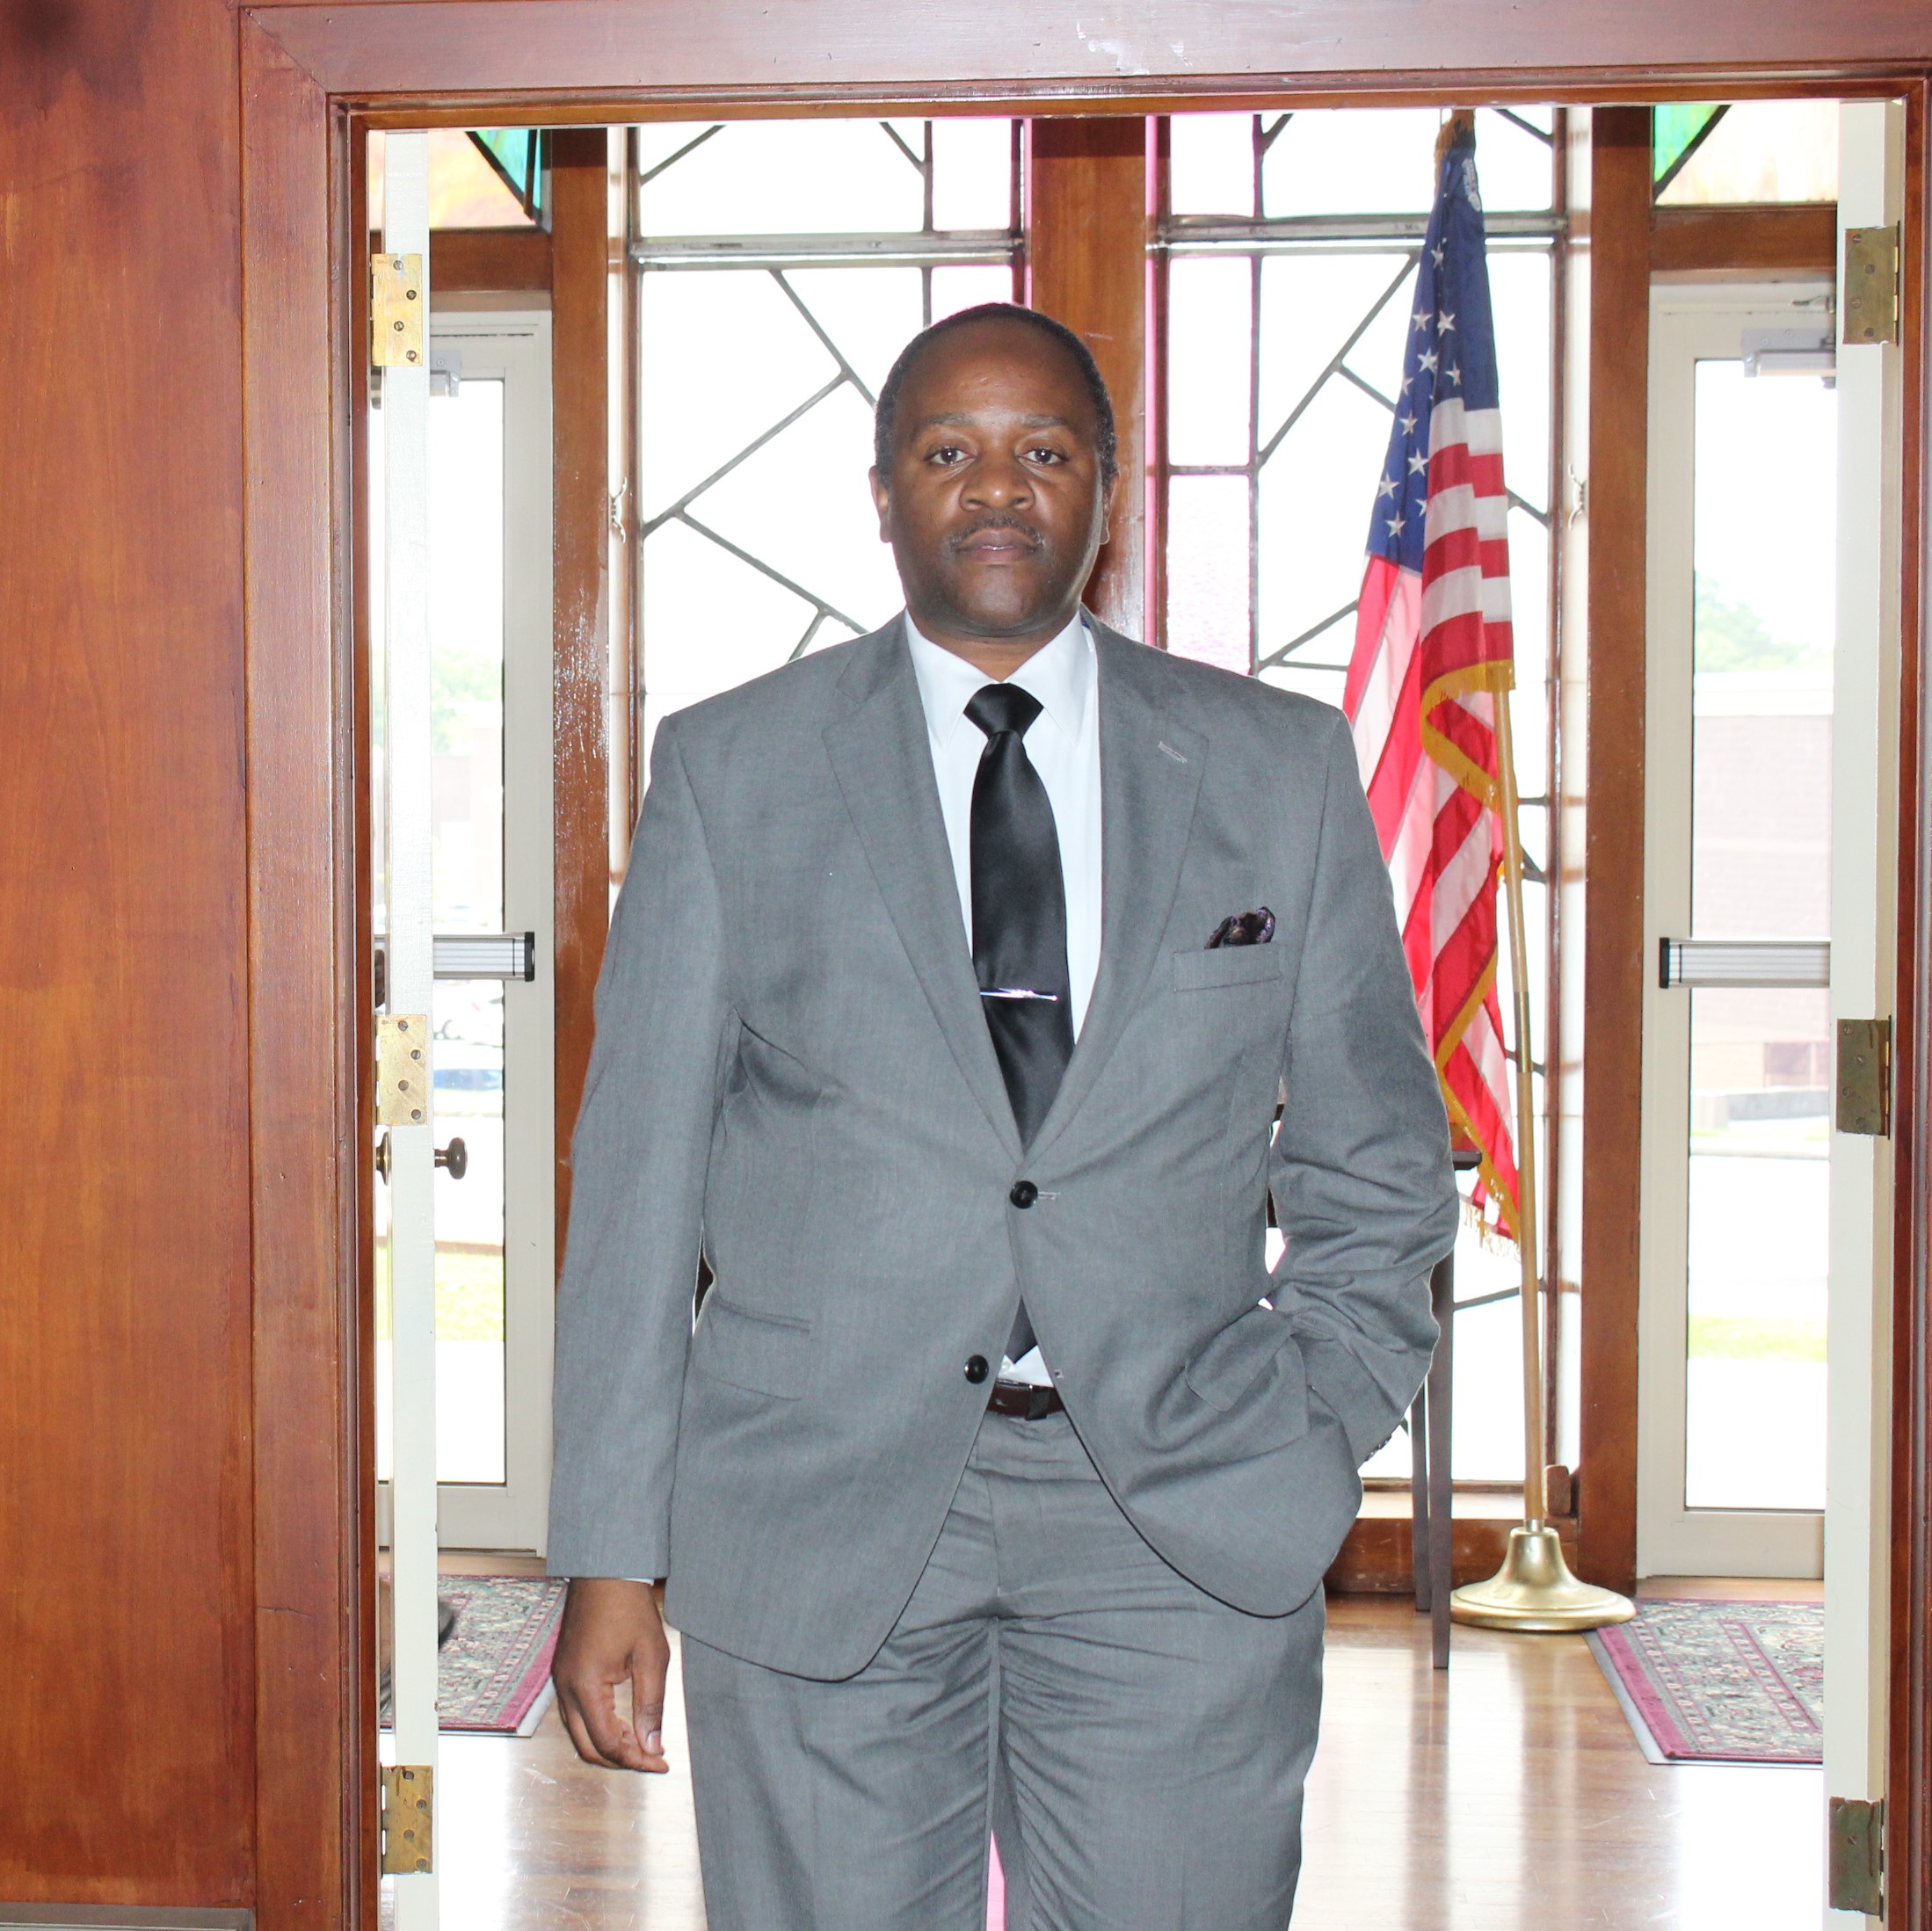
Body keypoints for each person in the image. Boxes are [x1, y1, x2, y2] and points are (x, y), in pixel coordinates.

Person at [546, 301, 1458, 1930]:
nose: (994, 488)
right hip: (815, 1502)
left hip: (1180, 1512)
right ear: (882, 493)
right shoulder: (730, 771)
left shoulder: (1277, 766)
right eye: (945, 451)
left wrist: (1317, 1410)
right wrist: (610, 1549)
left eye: (1041, 450)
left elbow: (1375, 1153)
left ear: (1106, 491)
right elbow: (638, 1187)